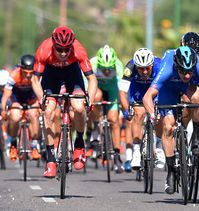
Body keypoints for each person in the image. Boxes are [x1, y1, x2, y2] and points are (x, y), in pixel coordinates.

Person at [143, 46, 199, 194]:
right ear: (176, 65)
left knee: (197, 98)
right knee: (168, 127)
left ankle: (195, 137)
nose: (187, 75)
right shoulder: (167, 67)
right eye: (183, 71)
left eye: (190, 71)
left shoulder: (198, 66)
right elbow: (147, 97)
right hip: (168, 89)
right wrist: (152, 114)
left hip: (189, 89)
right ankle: (170, 172)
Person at [31, 26, 97, 178]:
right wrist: (42, 98)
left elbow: (92, 79)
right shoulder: (44, 50)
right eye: (59, 49)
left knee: (79, 108)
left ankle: (79, 143)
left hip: (72, 74)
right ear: (53, 45)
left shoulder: (78, 50)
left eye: (67, 50)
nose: (63, 53)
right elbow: (35, 79)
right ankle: (50, 160)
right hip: (51, 75)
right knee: (48, 111)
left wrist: (90, 100)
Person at [119, 48, 164, 172]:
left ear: (152, 65)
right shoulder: (130, 67)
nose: (144, 71)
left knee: (160, 113)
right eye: (141, 68)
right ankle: (136, 152)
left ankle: (159, 146)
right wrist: (126, 109)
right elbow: (122, 92)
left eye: (147, 68)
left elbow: (166, 87)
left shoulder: (160, 65)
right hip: (137, 89)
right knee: (138, 114)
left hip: (155, 90)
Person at [85, 45, 124, 173]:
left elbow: (122, 89)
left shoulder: (118, 66)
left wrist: (123, 106)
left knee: (114, 120)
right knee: (96, 96)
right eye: (104, 69)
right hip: (97, 88)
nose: (107, 72)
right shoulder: (92, 63)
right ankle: (95, 126)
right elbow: (87, 85)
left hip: (112, 90)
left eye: (109, 69)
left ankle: (117, 156)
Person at [1, 55, 42, 161]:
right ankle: (13, 143)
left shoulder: (37, 75)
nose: (28, 75)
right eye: (25, 72)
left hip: (31, 98)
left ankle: (34, 145)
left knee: (34, 114)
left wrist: (41, 106)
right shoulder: (14, 75)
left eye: (30, 72)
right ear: (20, 69)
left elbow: (40, 94)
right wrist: (3, 110)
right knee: (14, 117)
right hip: (16, 99)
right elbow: (6, 95)